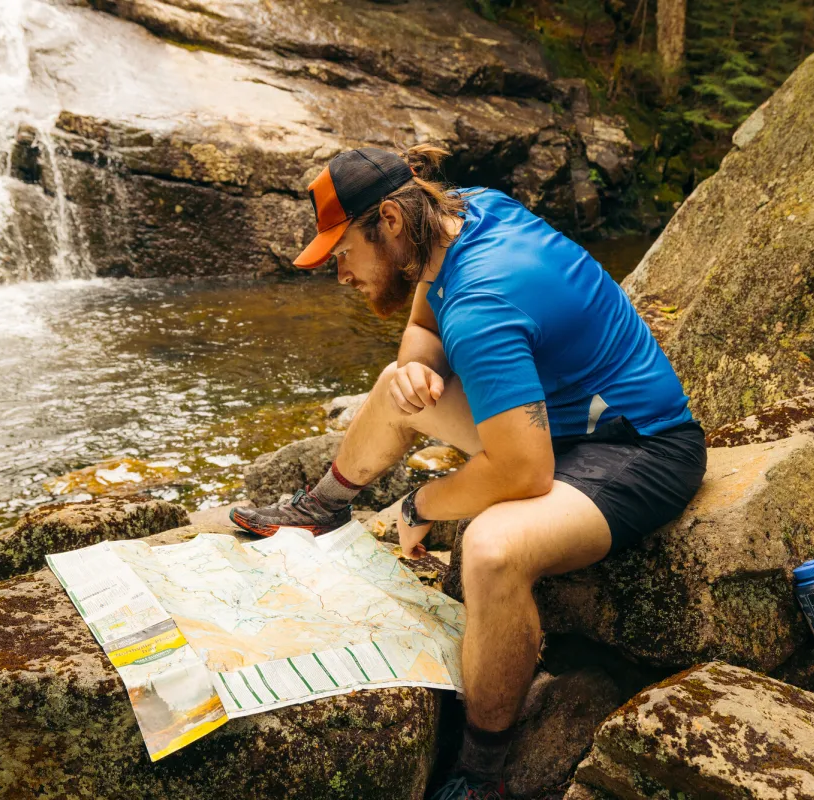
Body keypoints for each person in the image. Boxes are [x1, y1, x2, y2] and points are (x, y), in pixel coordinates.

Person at [230, 144, 707, 799]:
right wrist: (417, 366)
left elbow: (521, 471)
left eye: (342, 253)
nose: (338, 273)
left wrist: (417, 506)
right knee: (394, 384)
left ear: (390, 222)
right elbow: (423, 322)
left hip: (641, 450)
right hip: (560, 421)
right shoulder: (465, 214)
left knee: (488, 549)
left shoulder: (484, 298)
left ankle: (483, 770)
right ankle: (323, 506)